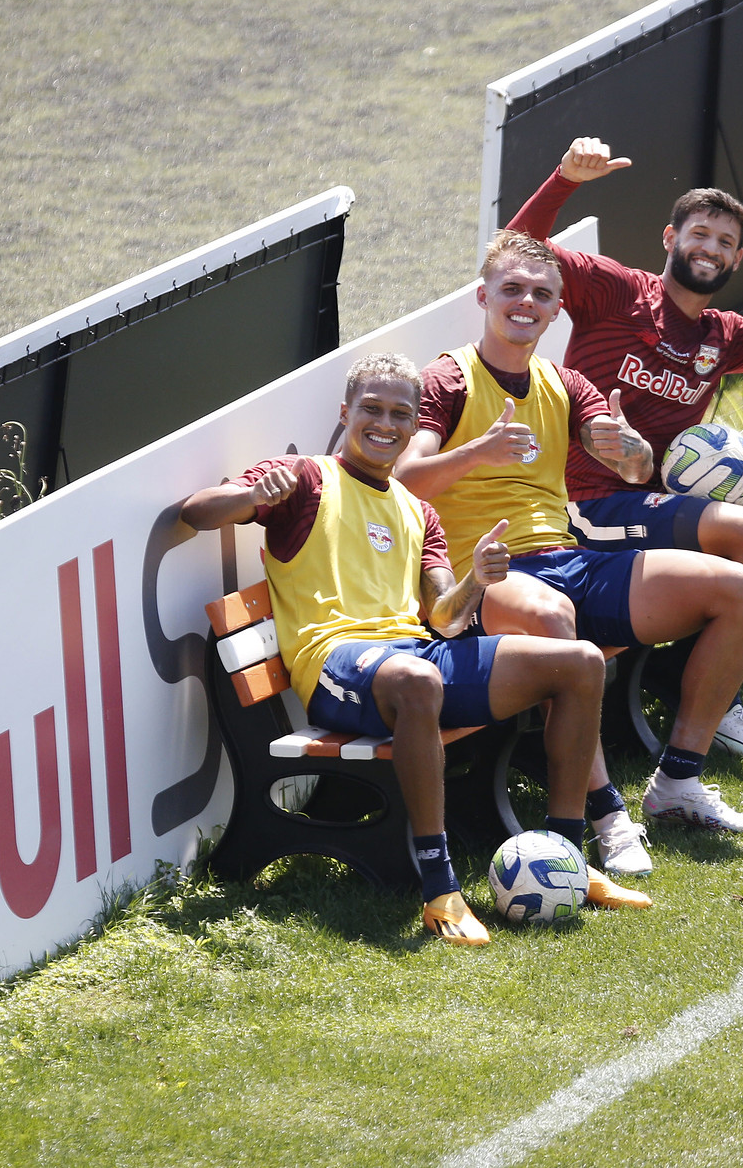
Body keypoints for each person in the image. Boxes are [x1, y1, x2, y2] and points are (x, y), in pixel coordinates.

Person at [178, 352, 642, 947]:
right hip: (337, 666)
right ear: (345, 412)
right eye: (371, 408)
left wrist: (477, 578)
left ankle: (565, 859)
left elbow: (447, 619)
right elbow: (196, 513)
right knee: (418, 681)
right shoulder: (306, 478)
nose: (385, 424)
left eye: (401, 412)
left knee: (577, 663)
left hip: (413, 655)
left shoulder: (418, 509)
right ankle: (439, 885)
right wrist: (250, 498)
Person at [504, 141, 743, 753]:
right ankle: (721, 703)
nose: (709, 249)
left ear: (737, 259)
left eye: (723, 242)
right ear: (670, 238)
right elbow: (517, 253)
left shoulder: (725, 335)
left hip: (665, 492)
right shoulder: (615, 291)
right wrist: (563, 180)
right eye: (699, 234)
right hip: (589, 501)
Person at [394, 233, 743, 845]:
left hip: (568, 558)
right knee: (552, 618)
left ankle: (678, 782)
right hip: (484, 577)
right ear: (483, 296)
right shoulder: (447, 379)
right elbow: (404, 479)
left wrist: (632, 450)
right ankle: (606, 815)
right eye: (512, 289)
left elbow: (630, 464)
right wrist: (480, 451)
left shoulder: (564, 381)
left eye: (541, 294)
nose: (526, 302)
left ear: (556, 307)